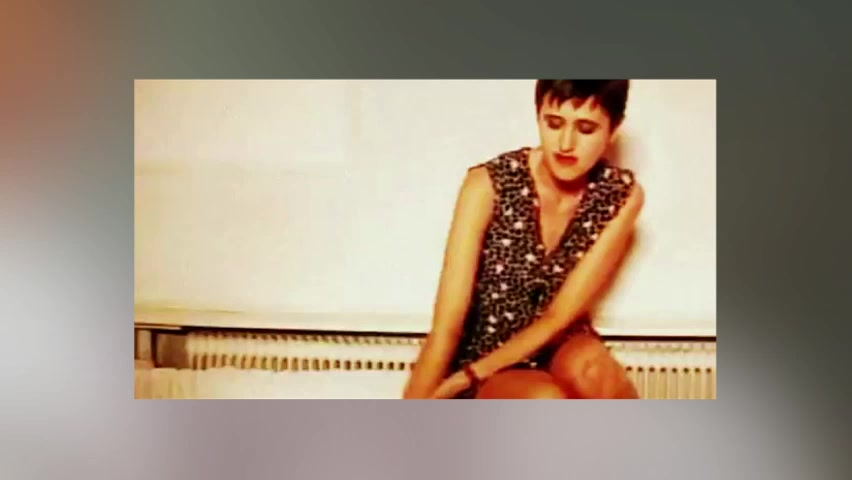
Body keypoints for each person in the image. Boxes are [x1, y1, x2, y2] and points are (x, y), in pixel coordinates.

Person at [402, 80, 644, 399]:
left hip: (558, 341)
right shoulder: (489, 184)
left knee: (594, 371)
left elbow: (557, 317)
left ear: (613, 130)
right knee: (544, 400)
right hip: (487, 353)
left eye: (586, 129)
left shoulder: (620, 194)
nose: (566, 143)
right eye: (553, 123)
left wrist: (469, 377)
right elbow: (447, 325)